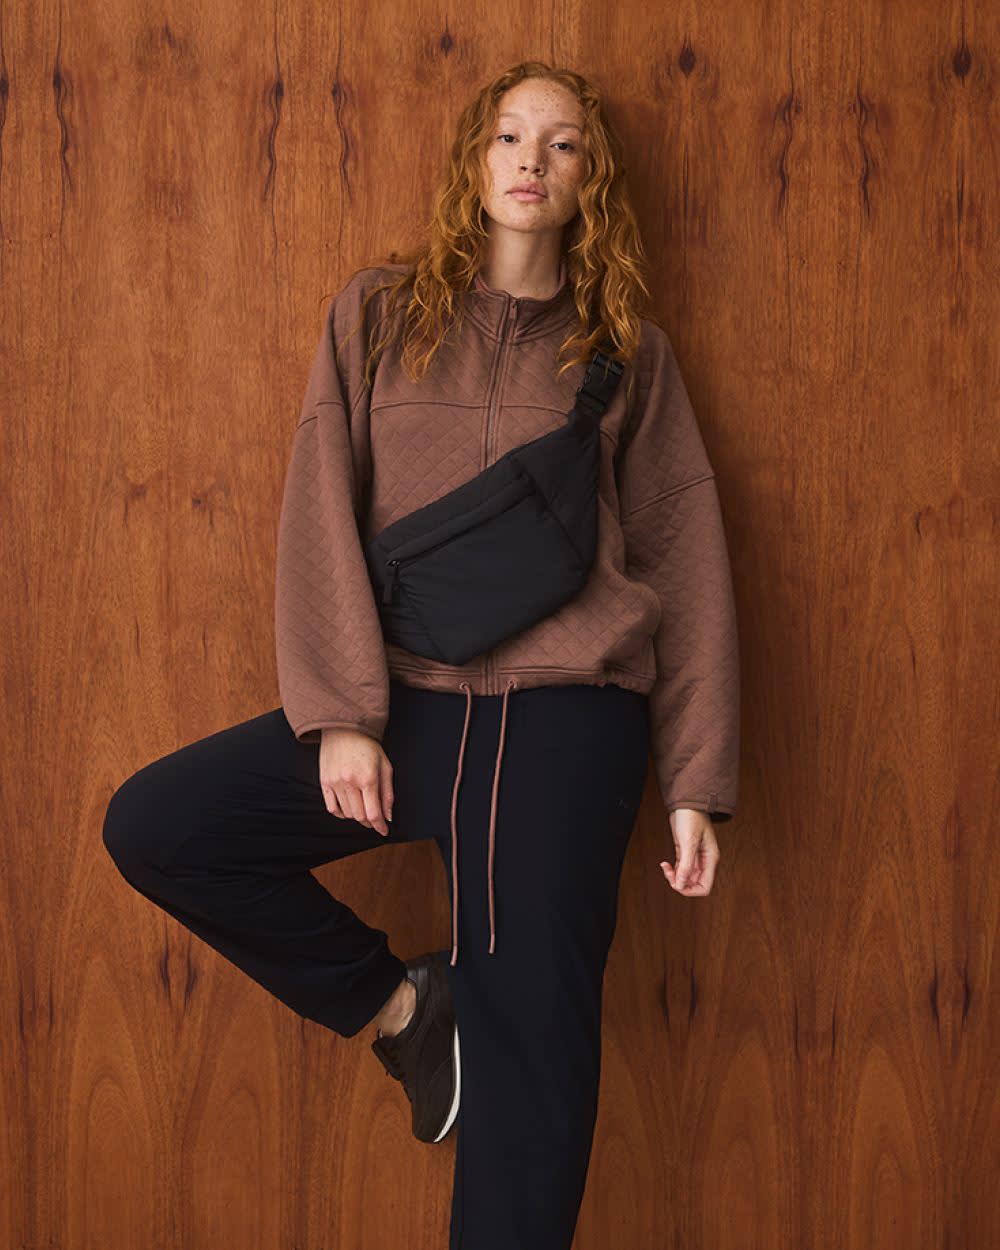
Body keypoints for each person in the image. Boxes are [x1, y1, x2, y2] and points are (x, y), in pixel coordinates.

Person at [102, 60, 740, 1250]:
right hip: (406, 711)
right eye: (509, 135)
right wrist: (343, 711)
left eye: (562, 144)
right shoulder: (379, 316)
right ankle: (407, 1009)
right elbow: (319, 511)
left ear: (589, 181)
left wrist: (694, 782)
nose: (532, 160)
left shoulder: (628, 356)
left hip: (566, 726)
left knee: (536, 1049)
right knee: (160, 824)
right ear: (473, 162)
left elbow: (686, 563)